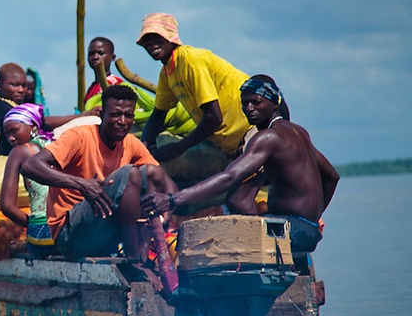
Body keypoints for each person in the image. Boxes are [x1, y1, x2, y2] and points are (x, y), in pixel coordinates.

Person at [142, 76, 339, 273]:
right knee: (239, 207)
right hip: (307, 229)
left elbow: (229, 177)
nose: (249, 108)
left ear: (274, 104)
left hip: (292, 230)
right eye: (245, 103)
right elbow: (331, 176)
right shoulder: (298, 131)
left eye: (256, 102)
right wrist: (314, 218)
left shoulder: (268, 137)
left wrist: (172, 199)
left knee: (210, 242)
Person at [20, 84, 177, 265]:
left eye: (128, 115)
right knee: (131, 174)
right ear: (102, 116)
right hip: (70, 236)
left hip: (104, 234)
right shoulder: (79, 137)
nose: (123, 121)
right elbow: (30, 166)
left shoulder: (131, 143)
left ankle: (142, 256)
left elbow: (165, 182)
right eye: (116, 114)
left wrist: (167, 207)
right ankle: (134, 262)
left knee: (151, 172)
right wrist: (81, 184)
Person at [137, 13, 250, 162]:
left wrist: (178, 148)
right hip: (233, 145)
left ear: (170, 37)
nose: (151, 43)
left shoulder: (190, 61)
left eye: (156, 37)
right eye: (146, 40)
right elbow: (158, 115)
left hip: (251, 131)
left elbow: (214, 117)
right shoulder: (168, 72)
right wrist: (143, 145)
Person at [0, 103, 57, 258]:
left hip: (43, 233)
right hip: (67, 228)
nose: (10, 138)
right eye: (6, 134)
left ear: (33, 128)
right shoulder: (58, 145)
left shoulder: (19, 152)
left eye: (14, 131)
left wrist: (33, 223)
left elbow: (7, 207)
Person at [84, 37, 124, 104]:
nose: (95, 57)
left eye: (100, 53)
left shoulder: (115, 83)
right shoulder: (92, 88)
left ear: (112, 57)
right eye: (91, 54)